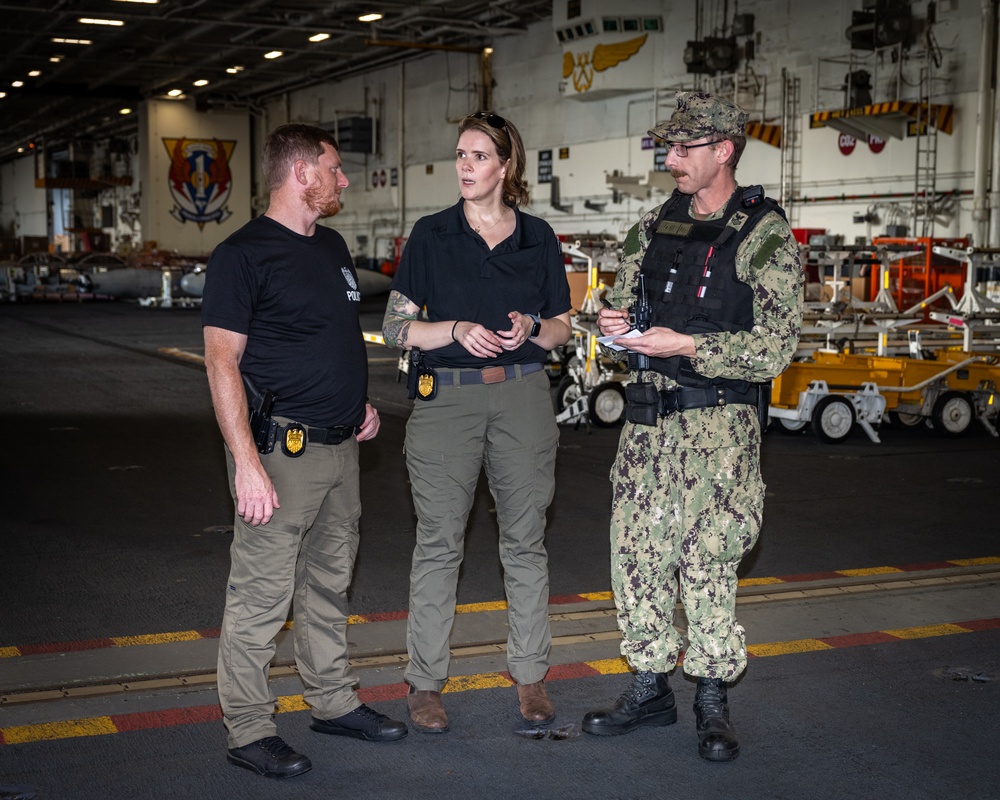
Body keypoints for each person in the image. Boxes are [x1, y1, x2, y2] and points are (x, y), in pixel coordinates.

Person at [582, 92, 803, 761]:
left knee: (710, 561)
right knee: (637, 556)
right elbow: (618, 310)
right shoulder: (652, 226)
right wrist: (613, 327)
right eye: (668, 148)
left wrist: (688, 348)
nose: (671, 159)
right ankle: (649, 686)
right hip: (647, 426)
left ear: (724, 150)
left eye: (684, 148)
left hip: (717, 429)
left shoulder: (765, 234)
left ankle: (712, 696)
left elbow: (776, 347)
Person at [202, 123, 407, 780]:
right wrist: (246, 464)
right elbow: (221, 362)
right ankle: (250, 727)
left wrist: (357, 406)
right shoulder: (243, 255)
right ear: (301, 173)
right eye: (335, 168)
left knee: (326, 585)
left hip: (342, 449)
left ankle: (331, 701)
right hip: (281, 454)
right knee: (262, 594)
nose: (344, 179)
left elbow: (324, 339)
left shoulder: (333, 246)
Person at [382, 111, 572, 733]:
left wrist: (532, 330)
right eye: (460, 154)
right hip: (447, 403)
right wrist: (456, 329)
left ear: (506, 165)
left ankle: (531, 677)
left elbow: (563, 326)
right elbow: (395, 328)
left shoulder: (538, 238)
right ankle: (425, 683)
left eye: (478, 156)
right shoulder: (431, 236)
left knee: (525, 541)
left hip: (522, 396)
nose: (465, 165)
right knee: (439, 543)